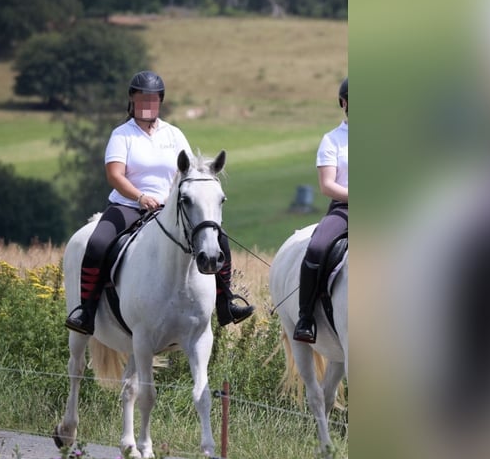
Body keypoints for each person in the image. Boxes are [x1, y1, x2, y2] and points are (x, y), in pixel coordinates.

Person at [65, 70, 254, 335]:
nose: (147, 104)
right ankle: (86, 310)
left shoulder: (174, 134)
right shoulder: (122, 135)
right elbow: (114, 175)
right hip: (127, 206)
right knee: (97, 244)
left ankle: (226, 303)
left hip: (168, 209)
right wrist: (140, 197)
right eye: (142, 99)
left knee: (217, 238)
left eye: (153, 100)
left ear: (160, 102)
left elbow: (189, 172)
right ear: (132, 100)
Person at [293, 77, 348, 343]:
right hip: (345, 209)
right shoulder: (332, 140)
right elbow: (327, 185)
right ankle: (306, 318)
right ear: (344, 103)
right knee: (317, 248)